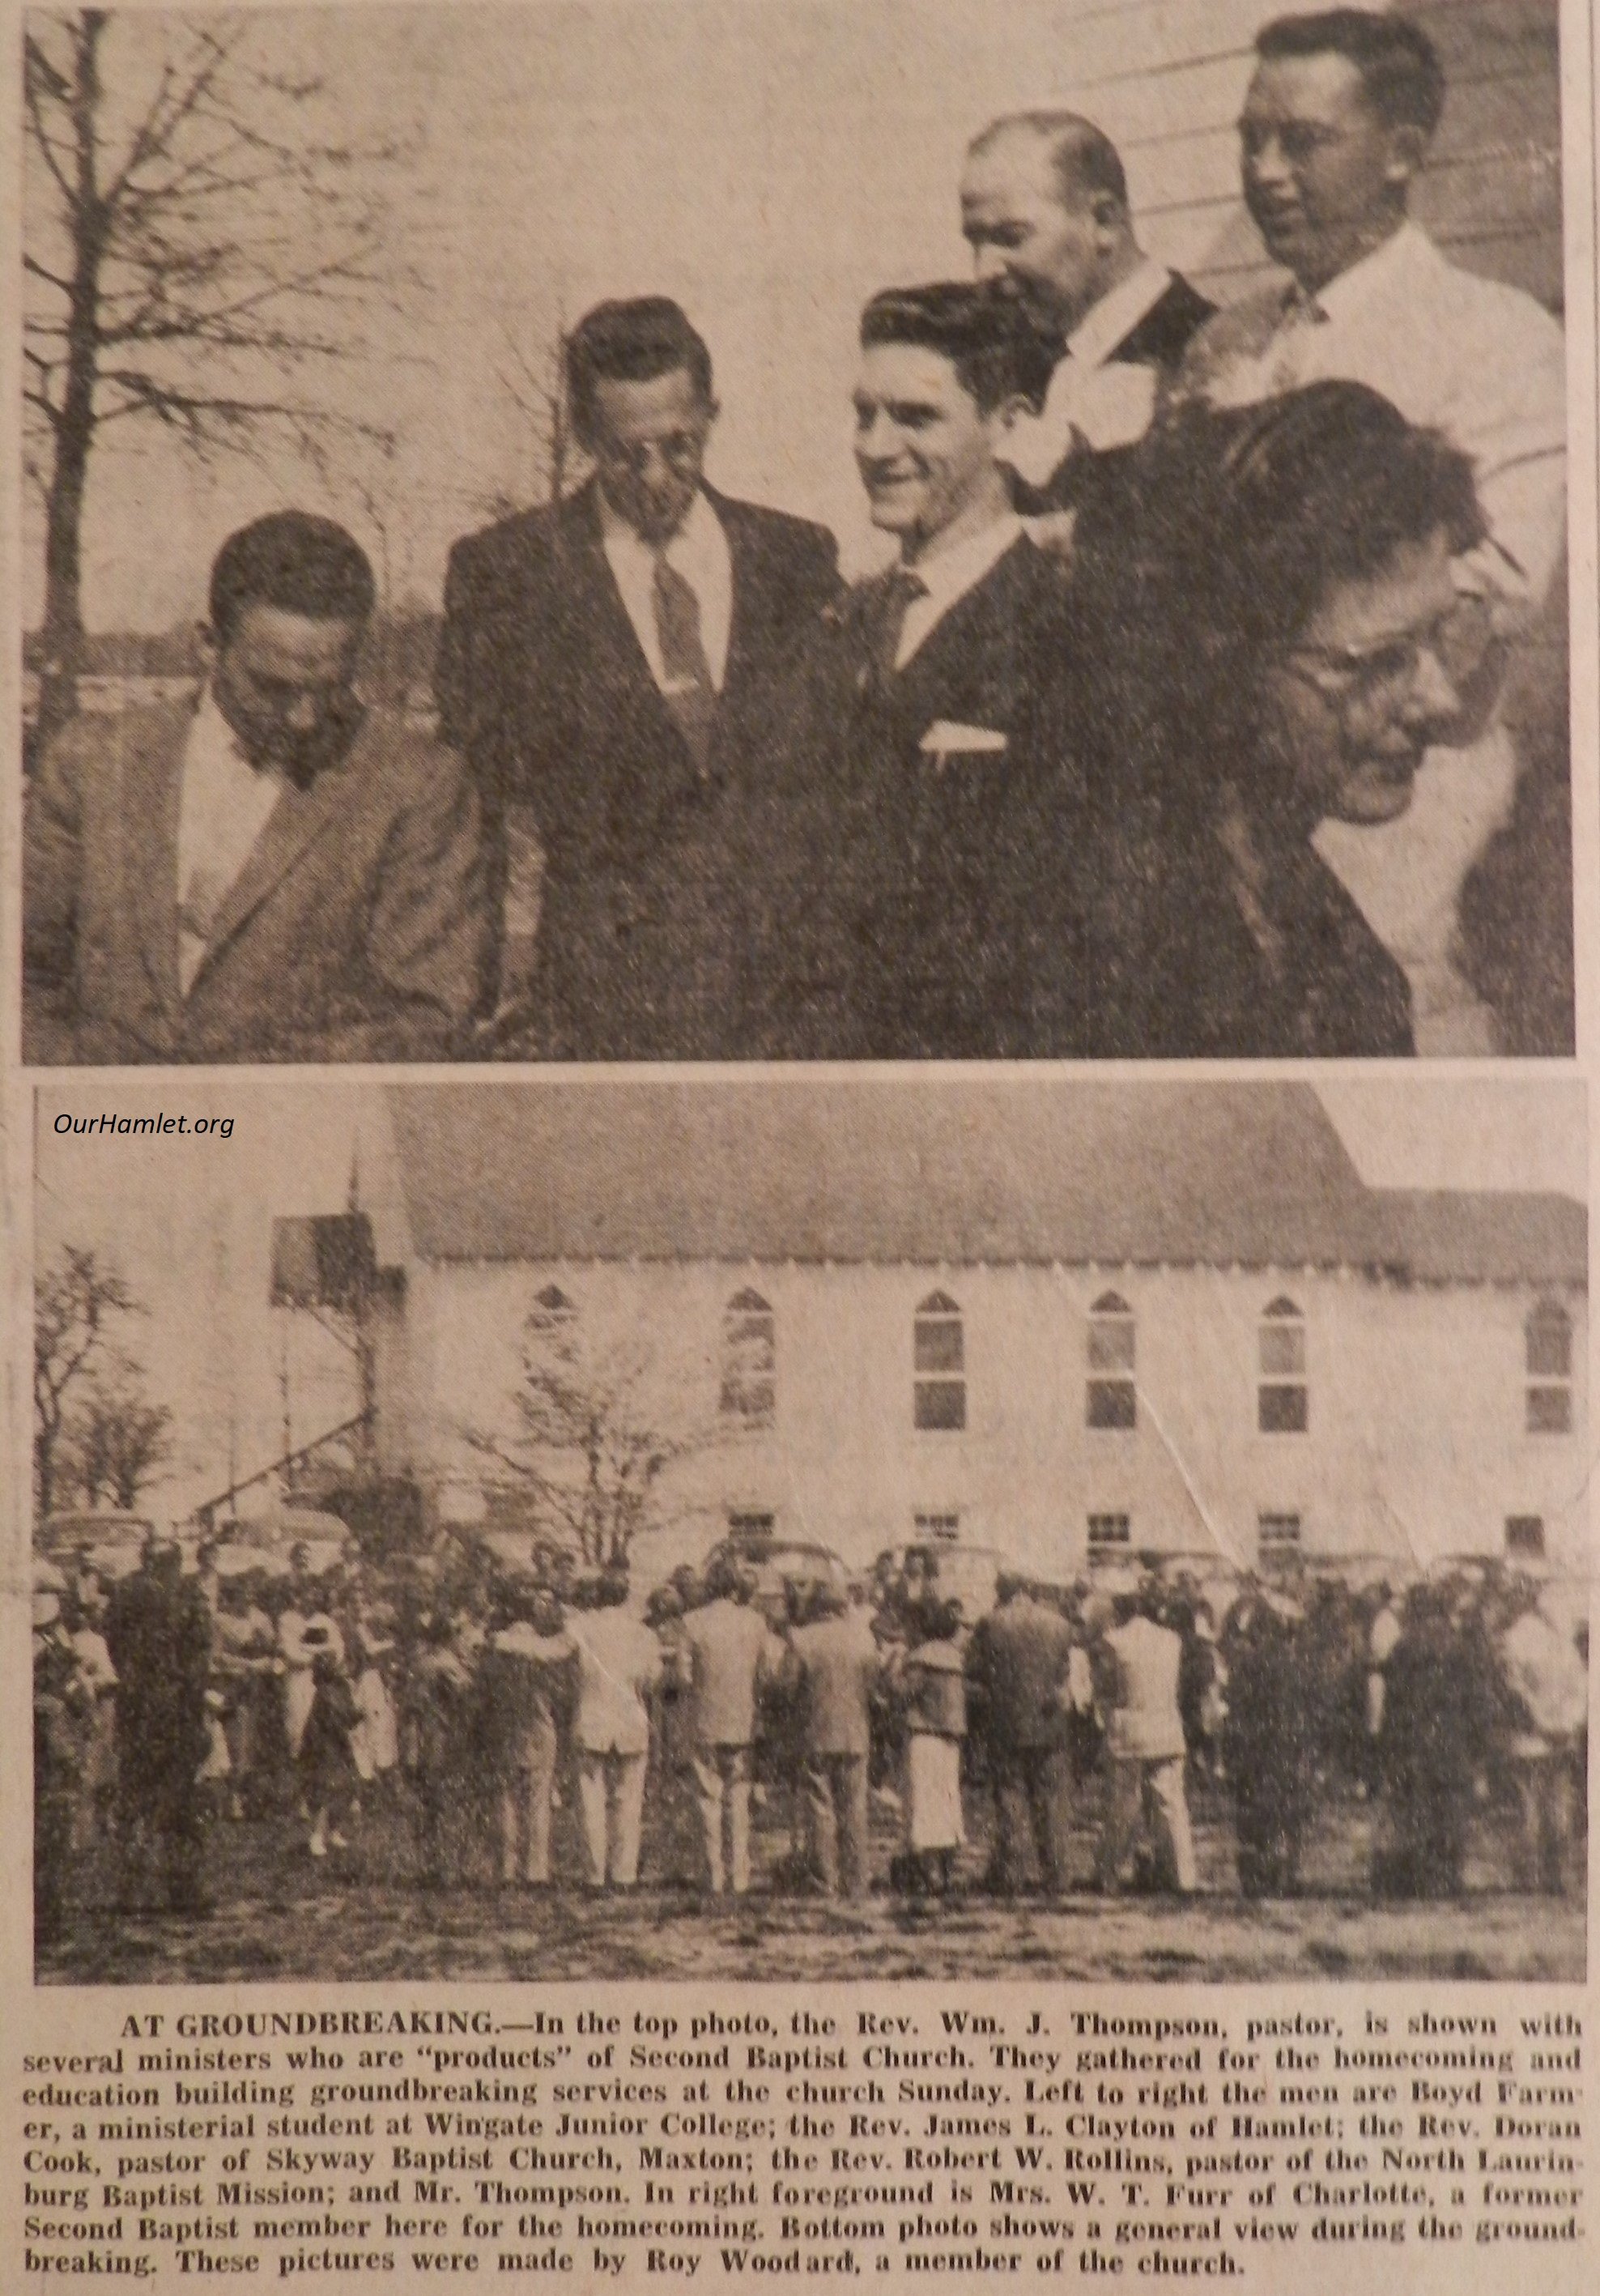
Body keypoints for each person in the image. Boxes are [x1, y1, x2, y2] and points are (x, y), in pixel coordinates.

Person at [1179, 8, 1567, 1052]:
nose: (1262, 173)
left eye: (1301, 142)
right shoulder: (1227, 340)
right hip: (1228, 837)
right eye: (1247, 140)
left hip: (1400, 828)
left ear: (1401, 153)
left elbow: (1483, 598)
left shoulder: (1497, 339)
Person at [727, 279, 1139, 1057]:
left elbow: (1083, 937)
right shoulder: (828, 630)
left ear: (1009, 425)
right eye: (864, 416)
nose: (876, 448)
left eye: (916, 417)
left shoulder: (1075, 633)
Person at [436, 296, 840, 1057]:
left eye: (681, 445)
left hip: (790, 1000)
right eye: (627, 453)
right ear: (585, 434)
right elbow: (467, 806)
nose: (656, 476)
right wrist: (470, 995)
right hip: (604, 1006)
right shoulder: (506, 573)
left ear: (713, 414)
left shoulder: (797, 559)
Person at [1066, 380, 1478, 1054]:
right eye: (1381, 660)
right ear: (1225, 661)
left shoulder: (1343, 956)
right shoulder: (1107, 944)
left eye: (1443, 636)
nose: (1443, 702)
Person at [23, 511, 494, 1063]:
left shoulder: (419, 783)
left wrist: (232, 1092)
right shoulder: (91, 760)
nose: (303, 718)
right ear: (206, 644)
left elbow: (430, 1017)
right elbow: (23, 977)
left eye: (331, 687)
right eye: (272, 687)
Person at [960, 111, 1213, 514]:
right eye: (975, 241)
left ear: (1104, 221)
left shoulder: (1205, 351)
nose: (983, 270)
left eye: (1011, 238)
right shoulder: (1010, 360)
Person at [103, 1532, 214, 1915]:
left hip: (136, 1711)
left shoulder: (124, 1593)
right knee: (179, 1805)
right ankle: (182, 1893)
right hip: (174, 1712)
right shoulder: (187, 1597)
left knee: (134, 1800)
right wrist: (193, 1699)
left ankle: (130, 1893)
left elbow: (113, 1645)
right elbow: (200, 1657)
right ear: (176, 1562)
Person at [677, 1557, 786, 1895]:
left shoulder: (691, 1622)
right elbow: (768, 1672)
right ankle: (739, 1875)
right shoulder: (755, 1622)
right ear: (737, 1586)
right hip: (744, 1720)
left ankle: (713, 1874)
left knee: (708, 1799)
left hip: (705, 1720)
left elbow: (683, 1676)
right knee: (738, 1802)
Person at [964, 1570, 1076, 1894]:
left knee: (1010, 1798)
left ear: (1003, 1591)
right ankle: (1057, 1874)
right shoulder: (1058, 1625)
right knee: (1052, 1801)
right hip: (1049, 1724)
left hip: (1006, 1724)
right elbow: (1064, 1673)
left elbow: (974, 1671)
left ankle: (1011, 1873)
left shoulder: (991, 1623)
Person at [1094, 1582, 1198, 1896]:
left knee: (1123, 1805)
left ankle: (1110, 1874)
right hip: (1166, 1727)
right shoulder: (1171, 1640)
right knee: (1171, 1805)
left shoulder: (1113, 1641)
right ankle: (1182, 1876)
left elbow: (1106, 1689)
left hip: (1130, 1732)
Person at [785, 1579, 882, 1899]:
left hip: (815, 1731)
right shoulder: (864, 1640)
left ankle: (824, 1880)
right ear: (844, 1607)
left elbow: (787, 1687)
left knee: (820, 1808)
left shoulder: (801, 1639)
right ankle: (856, 1881)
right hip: (855, 1732)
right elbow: (873, 1688)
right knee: (855, 1808)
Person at [566, 1576, 663, 1890]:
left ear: (597, 1593)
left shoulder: (581, 1626)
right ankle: (624, 1875)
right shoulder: (644, 1634)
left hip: (592, 1718)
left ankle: (594, 1875)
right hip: (630, 1720)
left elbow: (564, 1662)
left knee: (590, 1800)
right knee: (629, 1802)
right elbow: (652, 1680)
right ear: (624, 1597)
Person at [1219, 1580, 1311, 1896]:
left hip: (1254, 1746)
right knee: (1287, 1812)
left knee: (1254, 1813)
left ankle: (1257, 1876)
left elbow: (1233, 1704)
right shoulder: (1295, 1664)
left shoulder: (1248, 1665)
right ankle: (1289, 1872)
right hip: (1286, 1745)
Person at [1499, 1582, 1587, 1895]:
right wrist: (1568, 1724)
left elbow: (1515, 1691)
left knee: (1530, 1807)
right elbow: (1583, 1689)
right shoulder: (1564, 1643)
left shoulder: (1514, 1638)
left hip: (1530, 1738)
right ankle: (1559, 1876)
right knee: (1560, 1806)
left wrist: (1541, 1722)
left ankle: (1531, 1877)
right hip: (1561, 1738)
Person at [894, 1598, 968, 1898]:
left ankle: (929, 1871)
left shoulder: (922, 1657)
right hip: (951, 1739)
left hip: (924, 1736)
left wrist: (891, 1670)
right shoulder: (956, 1658)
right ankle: (946, 1869)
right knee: (948, 1802)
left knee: (922, 1804)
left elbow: (903, 1692)